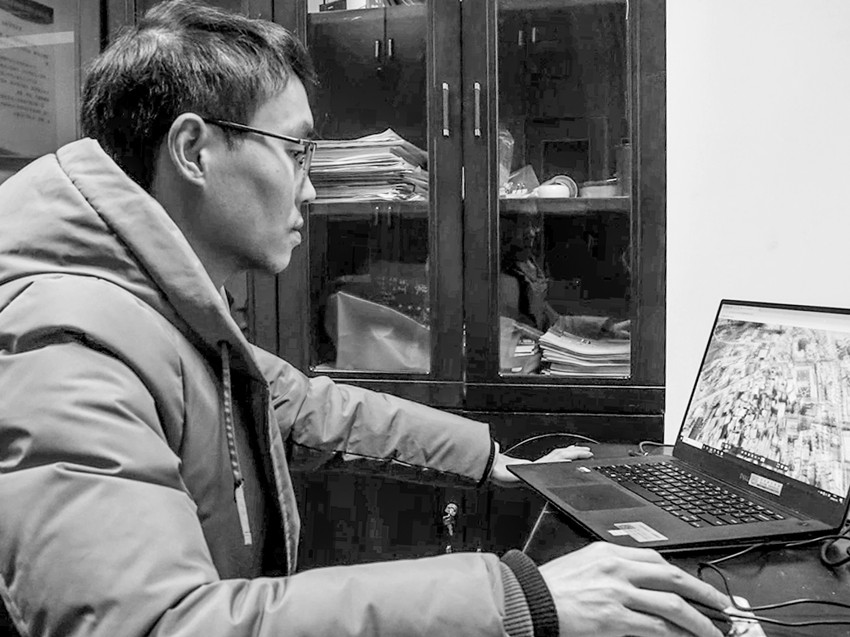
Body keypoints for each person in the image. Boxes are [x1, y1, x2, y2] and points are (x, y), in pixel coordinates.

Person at [0, 1, 730, 636]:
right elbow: (154, 624)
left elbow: (304, 406)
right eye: (297, 151)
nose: (311, 188)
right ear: (194, 150)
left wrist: (496, 462)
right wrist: (521, 598)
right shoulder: (68, 342)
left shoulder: (156, 309)